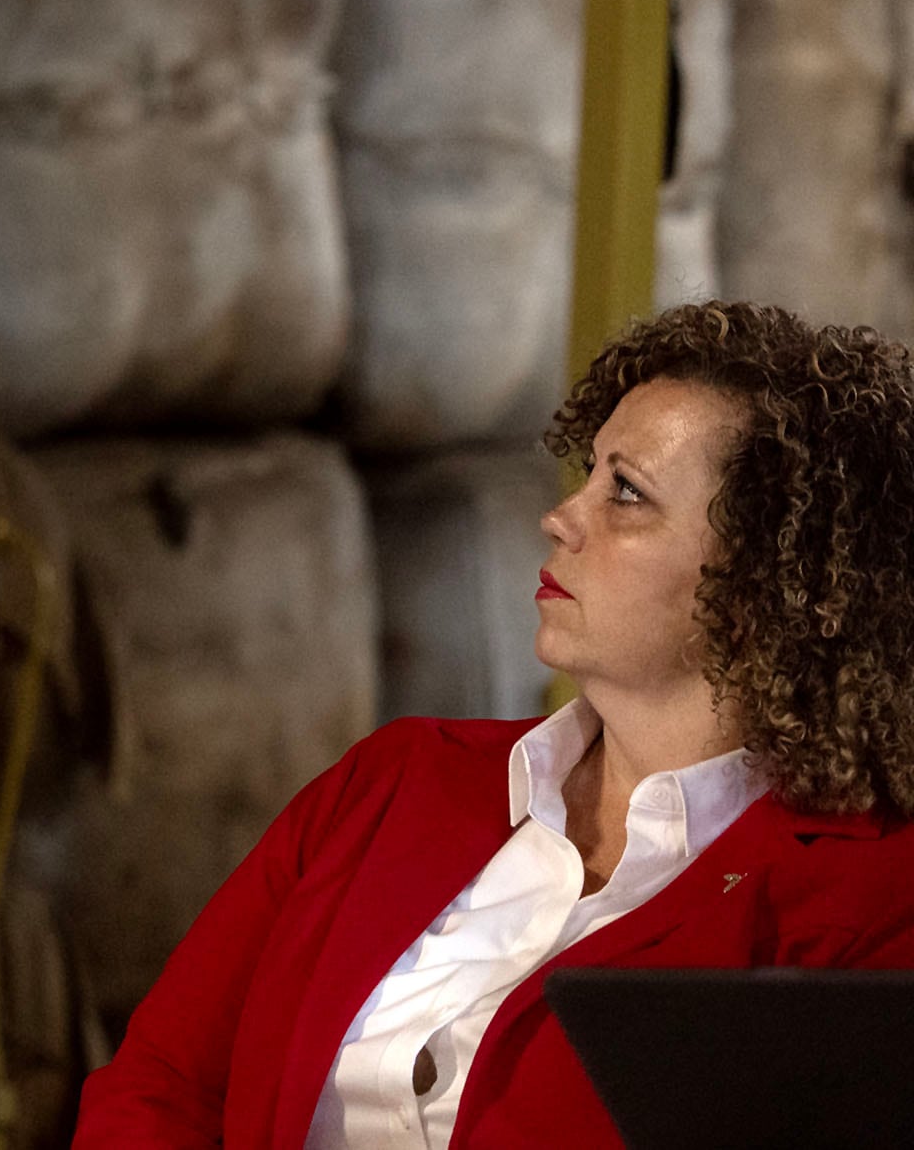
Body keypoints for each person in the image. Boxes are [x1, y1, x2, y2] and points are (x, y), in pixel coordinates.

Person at [77, 300, 914, 1150]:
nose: (563, 516)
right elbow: (162, 1079)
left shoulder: (872, 900)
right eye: (587, 472)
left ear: (764, 583)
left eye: (626, 492)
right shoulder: (394, 780)